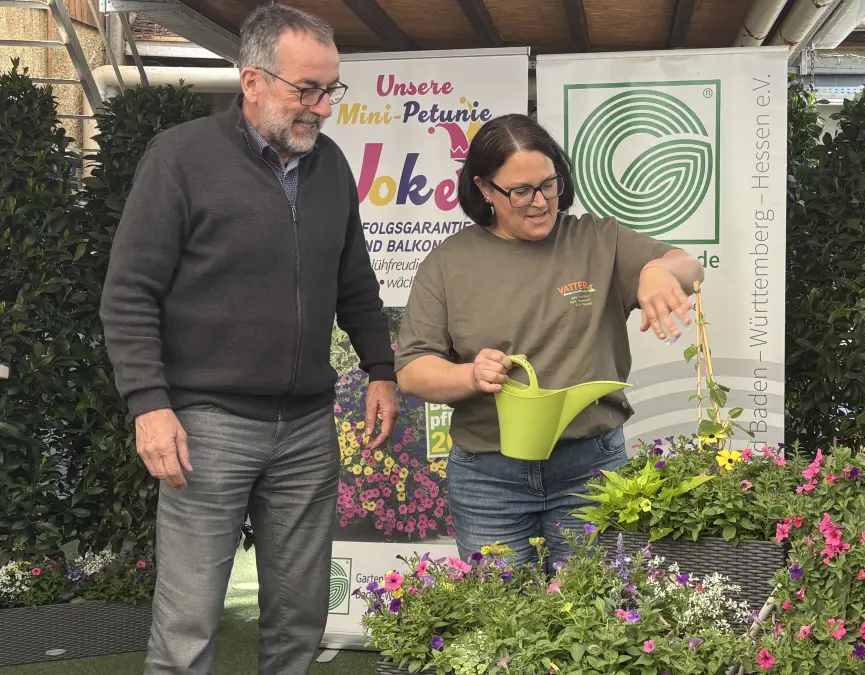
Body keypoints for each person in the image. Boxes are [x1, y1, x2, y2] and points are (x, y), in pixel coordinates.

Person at [99, 5, 398, 674]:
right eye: (307, 90)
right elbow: (128, 293)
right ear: (252, 80)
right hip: (205, 428)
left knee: (299, 619)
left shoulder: (331, 170)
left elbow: (354, 283)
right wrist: (149, 404)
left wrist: (381, 368)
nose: (321, 108)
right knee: (188, 625)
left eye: (330, 90)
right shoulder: (179, 158)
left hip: (306, 429)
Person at [393, 114, 704, 570]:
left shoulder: (596, 240)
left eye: (549, 185)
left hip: (590, 467)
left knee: (596, 620)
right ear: (484, 189)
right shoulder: (448, 265)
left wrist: (658, 270)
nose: (540, 202)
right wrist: (470, 375)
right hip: (488, 477)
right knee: (498, 624)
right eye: (520, 191)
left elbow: (690, 267)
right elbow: (412, 370)